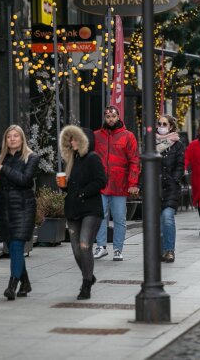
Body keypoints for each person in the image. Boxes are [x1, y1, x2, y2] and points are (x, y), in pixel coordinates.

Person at [0, 125, 39, 300]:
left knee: (16, 245)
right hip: (5, 208)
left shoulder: (31, 157)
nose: (12, 139)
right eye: (9, 136)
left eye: (16, 136)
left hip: (24, 207)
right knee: (13, 247)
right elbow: (0, 186)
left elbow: (24, 180)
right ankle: (26, 282)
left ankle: (12, 285)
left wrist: (3, 170)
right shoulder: (1, 159)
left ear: (22, 139)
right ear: (5, 140)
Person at [58, 125, 107, 299]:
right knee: (76, 250)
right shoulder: (72, 160)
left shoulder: (93, 158)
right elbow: (71, 188)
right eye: (70, 139)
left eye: (75, 138)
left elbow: (102, 180)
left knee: (85, 245)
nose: (72, 142)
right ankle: (90, 275)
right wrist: (64, 187)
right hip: (73, 210)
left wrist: (83, 192)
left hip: (91, 209)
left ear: (84, 141)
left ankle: (86, 283)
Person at [93, 106, 140, 261]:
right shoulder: (97, 136)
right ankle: (101, 246)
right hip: (101, 184)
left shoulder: (128, 136)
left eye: (113, 116)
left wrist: (133, 183)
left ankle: (118, 249)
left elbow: (134, 160)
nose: (110, 119)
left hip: (120, 184)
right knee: (99, 215)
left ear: (118, 117)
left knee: (119, 218)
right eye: (108, 116)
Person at [156, 114, 185, 263]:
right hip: (155, 187)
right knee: (159, 222)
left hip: (171, 187)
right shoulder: (152, 143)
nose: (161, 126)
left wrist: (174, 179)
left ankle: (169, 250)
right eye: (159, 124)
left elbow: (180, 165)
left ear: (171, 126)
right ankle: (161, 251)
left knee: (167, 217)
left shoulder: (178, 144)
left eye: (164, 124)